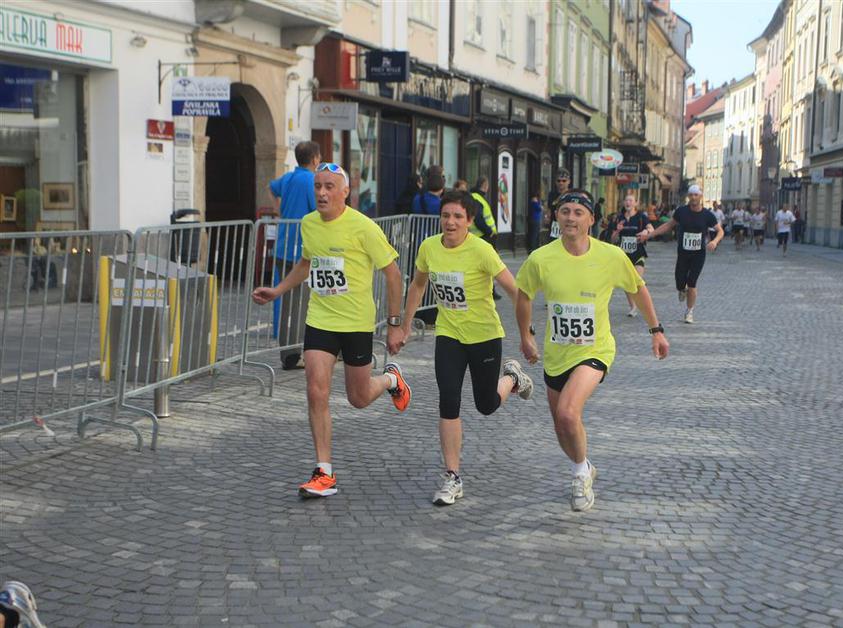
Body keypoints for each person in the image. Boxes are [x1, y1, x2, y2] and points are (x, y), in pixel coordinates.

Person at [252, 163, 410, 498]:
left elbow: (393, 275)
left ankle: (390, 380)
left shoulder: (363, 227)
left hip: (355, 323)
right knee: (315, 390)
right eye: (318, 187)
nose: (322, 193)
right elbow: (306, 263)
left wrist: (395, 325)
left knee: (358, 398)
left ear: (345, 192)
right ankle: (324, 471)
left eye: (329, 187)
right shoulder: (309, 223)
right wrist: (278, 290)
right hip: (320, 319)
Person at [515, 190, 669, 512]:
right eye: (565, 211)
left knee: (568, 413)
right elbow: (524, 295)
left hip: (595, 350)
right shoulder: (540, 258)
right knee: (562, 426)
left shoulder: (611, 256)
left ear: (591, 220)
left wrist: (656, 331)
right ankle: (583, 465)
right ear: (556, 217)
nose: (570, 218)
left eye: (578, 212)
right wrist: (526, 335)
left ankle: (580, 474)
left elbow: (638, 290)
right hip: (557, 353)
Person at [398, 190, 534, 506]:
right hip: (449, 334)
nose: (451, 222)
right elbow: (418, 285)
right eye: (446, 215)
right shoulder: (429, 247)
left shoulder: (482, 251)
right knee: (449, 399)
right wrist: (404, 326)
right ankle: (452, 476)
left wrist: (526, 333)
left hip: (485, 336)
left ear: (469, 221)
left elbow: (516, 291)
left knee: (486, 404)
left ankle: (512, 378)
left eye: (458, 216)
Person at [268, 141, 320, 370]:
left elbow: (271, 187)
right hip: (301, 250)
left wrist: (279, 209)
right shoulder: (310, 181)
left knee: (287, 303)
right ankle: (295, 353)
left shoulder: (288, 177)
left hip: (282, 246)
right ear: (315, 159)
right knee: (300, 304)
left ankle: (287, 352)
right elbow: (319, 211)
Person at [638, 184, 722, 324]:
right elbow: (668, 225)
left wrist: (715, 241)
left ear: (701, 196)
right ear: (688, 196)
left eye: (696, 195)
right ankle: (682, 290)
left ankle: (689, 311)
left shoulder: (707, 215)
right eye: (691, 195)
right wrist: (650, 235)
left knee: (692, 283)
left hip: (698, 254)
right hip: (683, 253)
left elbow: (720, 231)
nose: (693, 197)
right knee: (680, 283)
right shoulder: (681, 212)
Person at [611, 193, 654, 317]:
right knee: (627, 283)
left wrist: (646, 231)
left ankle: (641, 304)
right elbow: (613, 239)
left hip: (638, 253)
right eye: (626, 200)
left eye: (630, 200)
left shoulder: (641, 217)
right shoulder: (619, 218)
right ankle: (633, 306)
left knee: (636, 280)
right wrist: (617, 231)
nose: (628, 202)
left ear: (636, 203)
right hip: (624, 255)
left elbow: (651, 229)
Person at [545, 169, 571, 243]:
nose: (561, 183)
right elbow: (549, 208)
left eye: (564, 181)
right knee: (554, 244)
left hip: (567, 223)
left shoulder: (571, 194)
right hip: (555, 225)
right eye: (558, 181)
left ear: (569, 181)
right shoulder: (552, 194)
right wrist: (547, 217)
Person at [527, 187, 543, 253]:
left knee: (535, 234)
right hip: (535, 219)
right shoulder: (534, 201)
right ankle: (533, 248)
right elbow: (539, 208)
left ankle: (533, 247)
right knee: (535, 234)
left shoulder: (533, 201)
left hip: (534, 219)